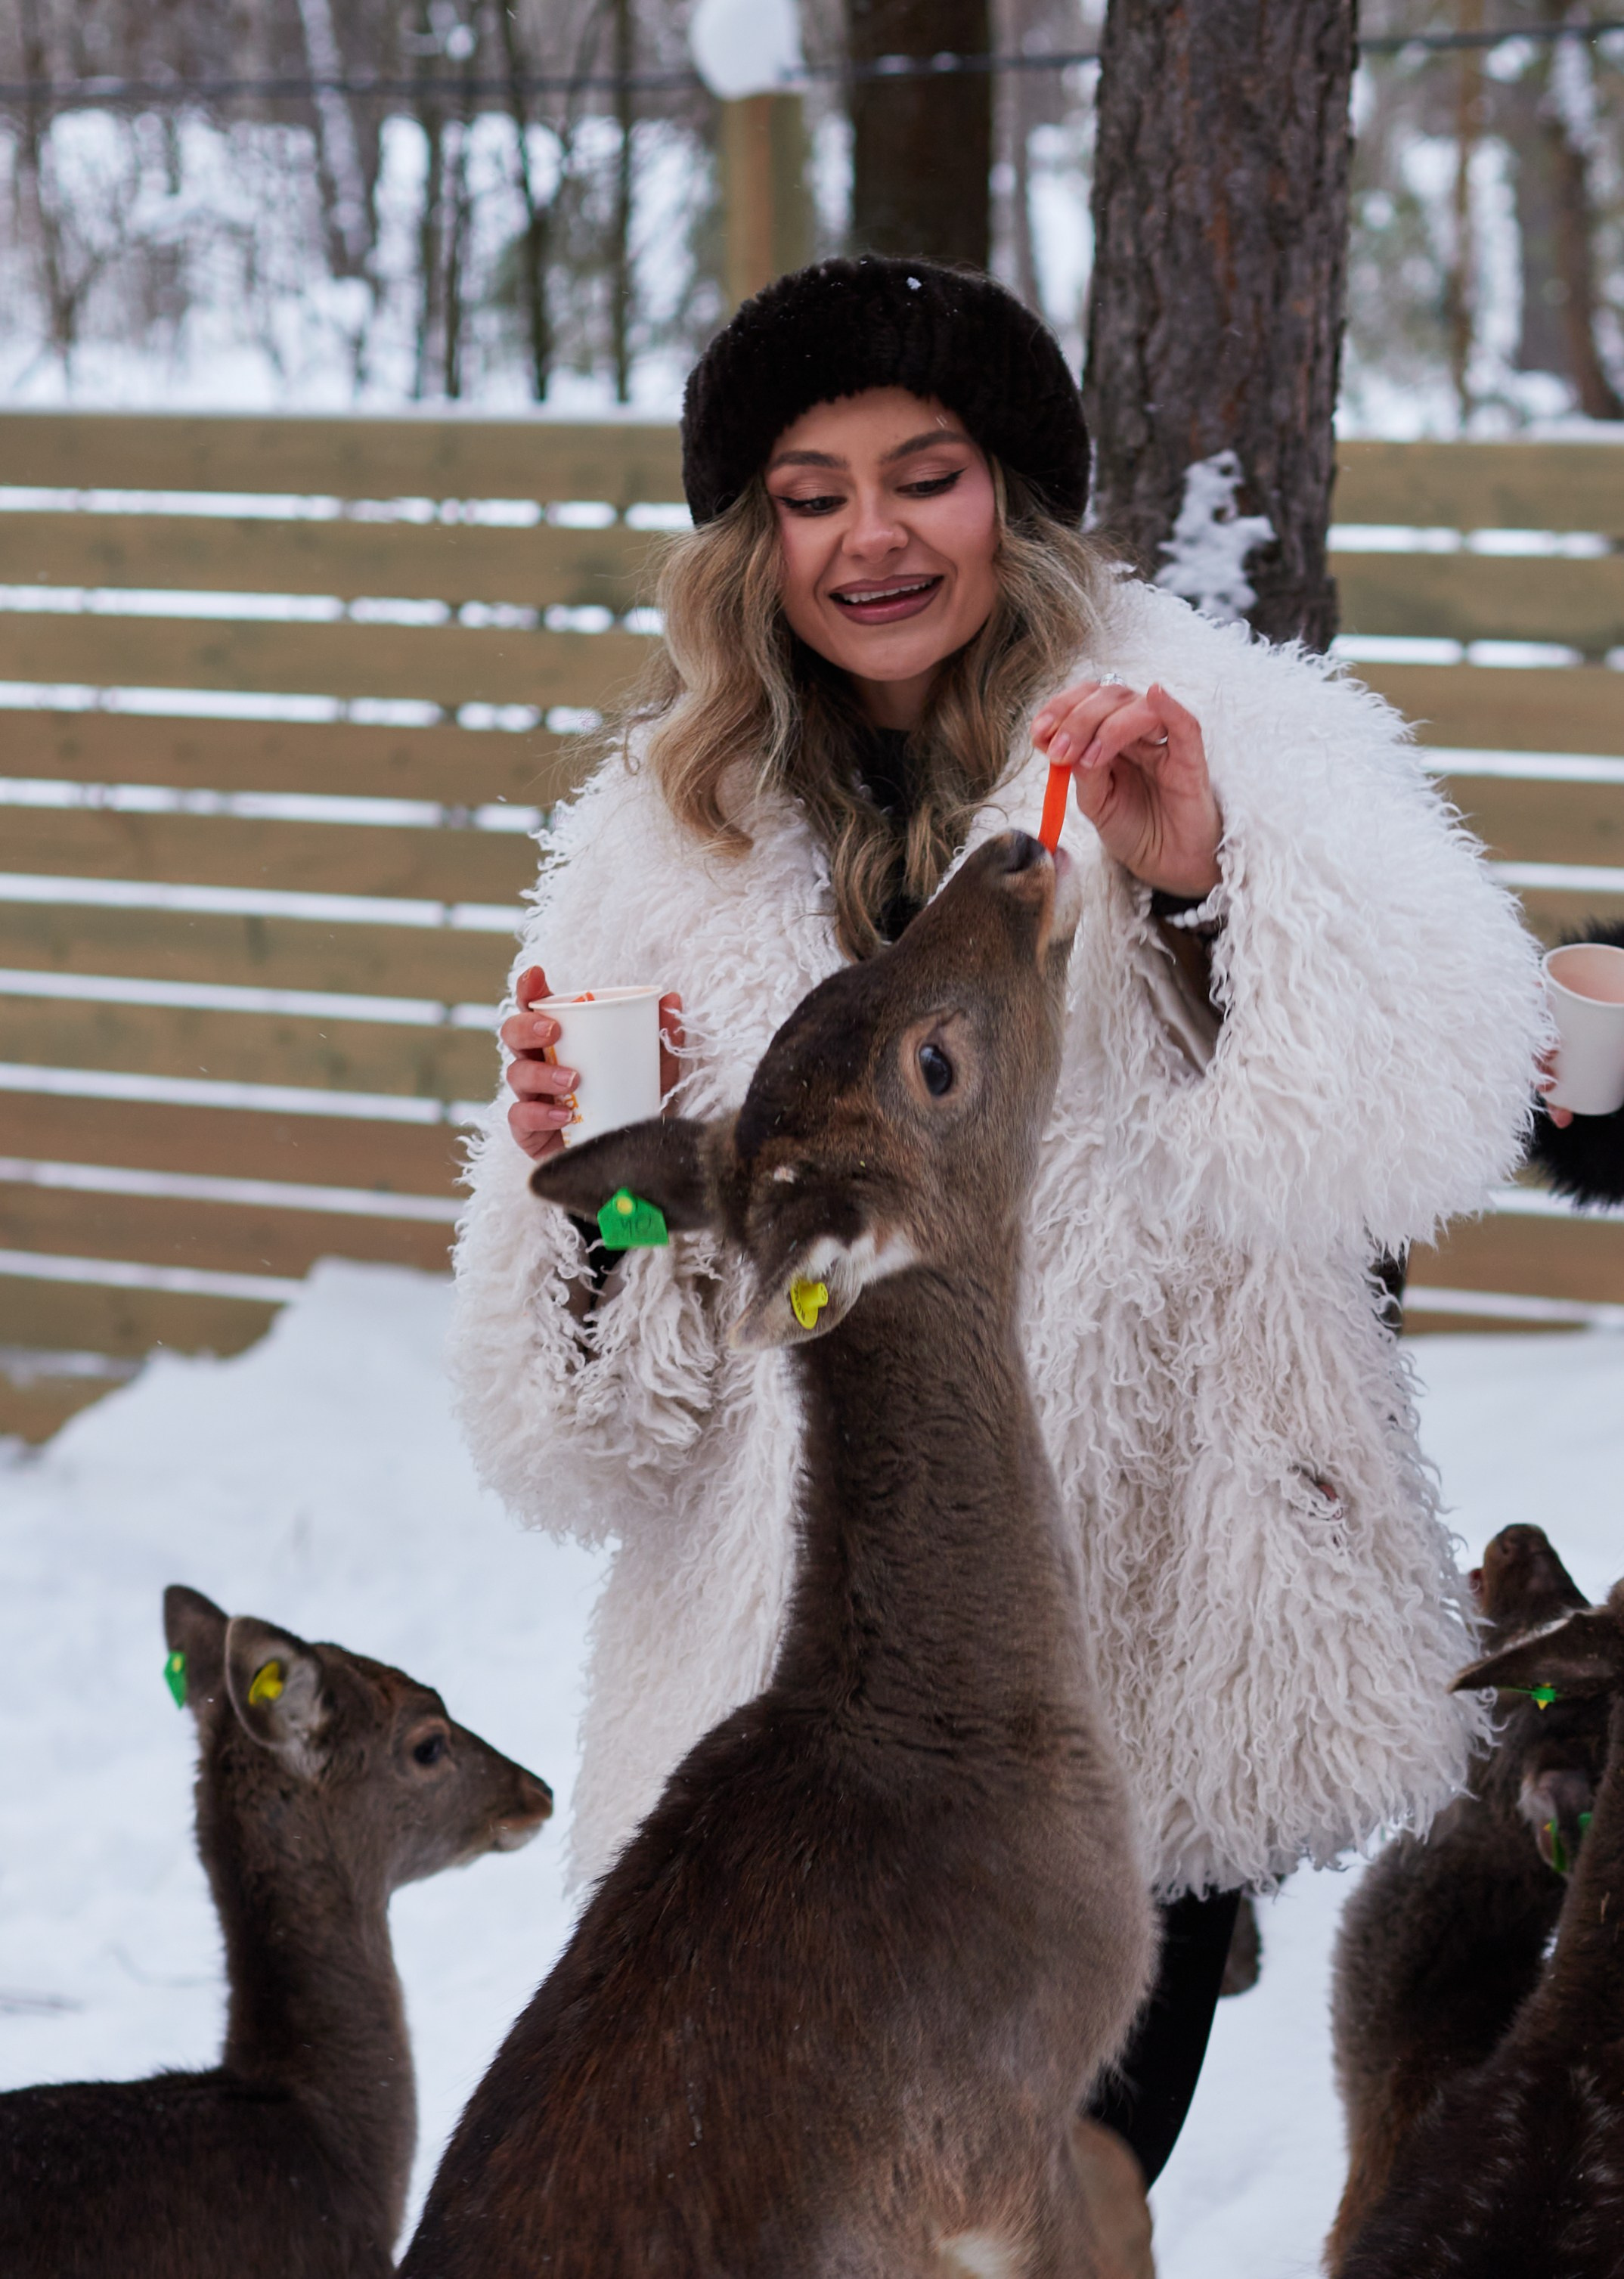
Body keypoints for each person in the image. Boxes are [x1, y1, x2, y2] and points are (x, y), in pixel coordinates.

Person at [448, 257, 1542, 2184]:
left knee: (1065, 2200)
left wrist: (1205, 893)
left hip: (1132, 1643)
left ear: (1012, 499)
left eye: (923, 473)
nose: (869, 536)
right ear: (751, 539)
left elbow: (1415, 1119)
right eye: (808, 491)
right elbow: (598, 1425)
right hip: (797, 1719)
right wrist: (592, 1199)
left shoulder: (1208, 732)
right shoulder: (660, 835)